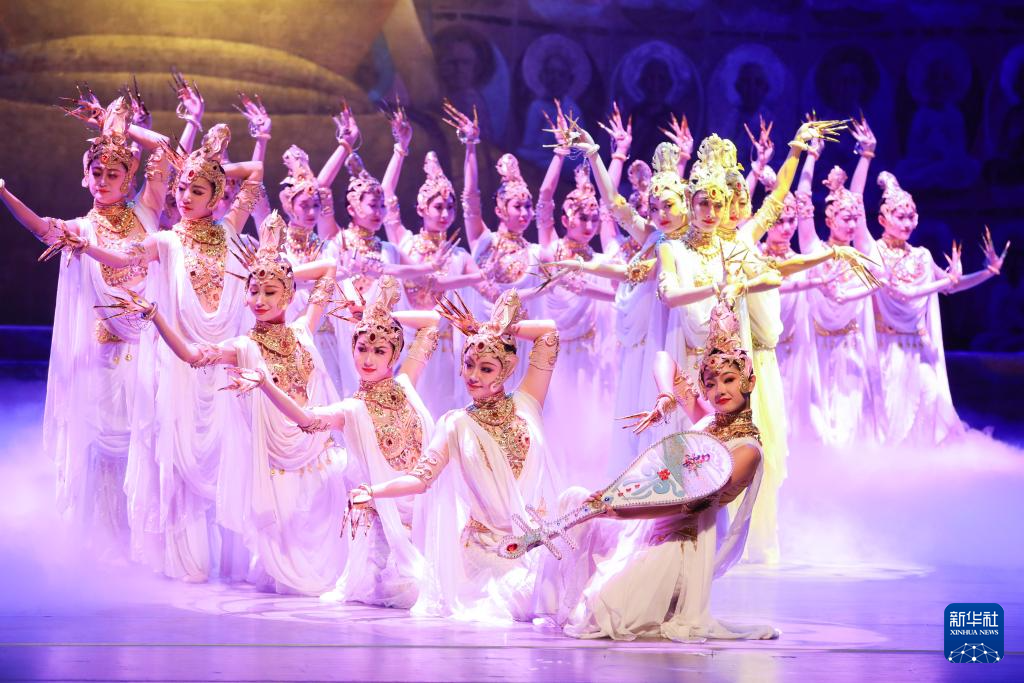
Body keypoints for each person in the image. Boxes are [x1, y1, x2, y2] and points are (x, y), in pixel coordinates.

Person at [104, 212, 346, 594]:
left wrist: (278, 265)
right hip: (277, 461)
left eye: (270, 292)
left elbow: (329, 268)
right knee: (289, 570)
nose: (259, 300)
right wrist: (157, 318)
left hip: (314, 452)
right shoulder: (242, 347)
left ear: (288, 295)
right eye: (254, 291)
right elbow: (191, 355)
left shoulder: (303, 330)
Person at [347, 291, 591, 623]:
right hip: (487, 556)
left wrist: (495, 328)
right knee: (525, 600)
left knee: (574, 583)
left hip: (538, 544)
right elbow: (420, 480)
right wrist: (373, 491)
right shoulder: (456, 424)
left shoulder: (527, 401)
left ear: (506, 370)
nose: (473, 376)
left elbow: (548, 332)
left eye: (486, 368)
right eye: (468, 365)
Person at [0, 95, 166, 559]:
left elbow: (164, 150)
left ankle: (148, 543)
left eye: (114, 173)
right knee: (104, 449)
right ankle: (105, 543)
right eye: (97, 173)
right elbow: (41, 229)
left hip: (151, 350)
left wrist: (121, 127)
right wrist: (3, 193)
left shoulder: (148, 211)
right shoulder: (79, 230)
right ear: (86, 176)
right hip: (103, 357)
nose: (104, 181)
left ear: (129, 177)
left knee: (147, 443)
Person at [564, 298, 777, 642]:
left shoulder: (747, 451)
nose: (719, 391)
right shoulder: (707, 421)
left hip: (682, 546)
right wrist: (666, 398)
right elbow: (664, 359)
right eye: (710, 383)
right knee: (574, 500)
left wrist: (618, 510)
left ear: (749, 382)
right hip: (649, 526)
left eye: (728, 379)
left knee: (601, 614)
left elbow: (686, 505)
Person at [864, 172, 1008, 445]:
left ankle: (926, 459)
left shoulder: (922, 255)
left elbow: (950, 285)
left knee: (932, 397)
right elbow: (902, 293)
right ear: (883, 220)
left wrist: (987, 273)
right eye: (900, 216)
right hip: (887, 347)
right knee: (894, 416)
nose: (907, 223)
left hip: (918, 346)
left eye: (911, 216)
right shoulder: (875, 253)